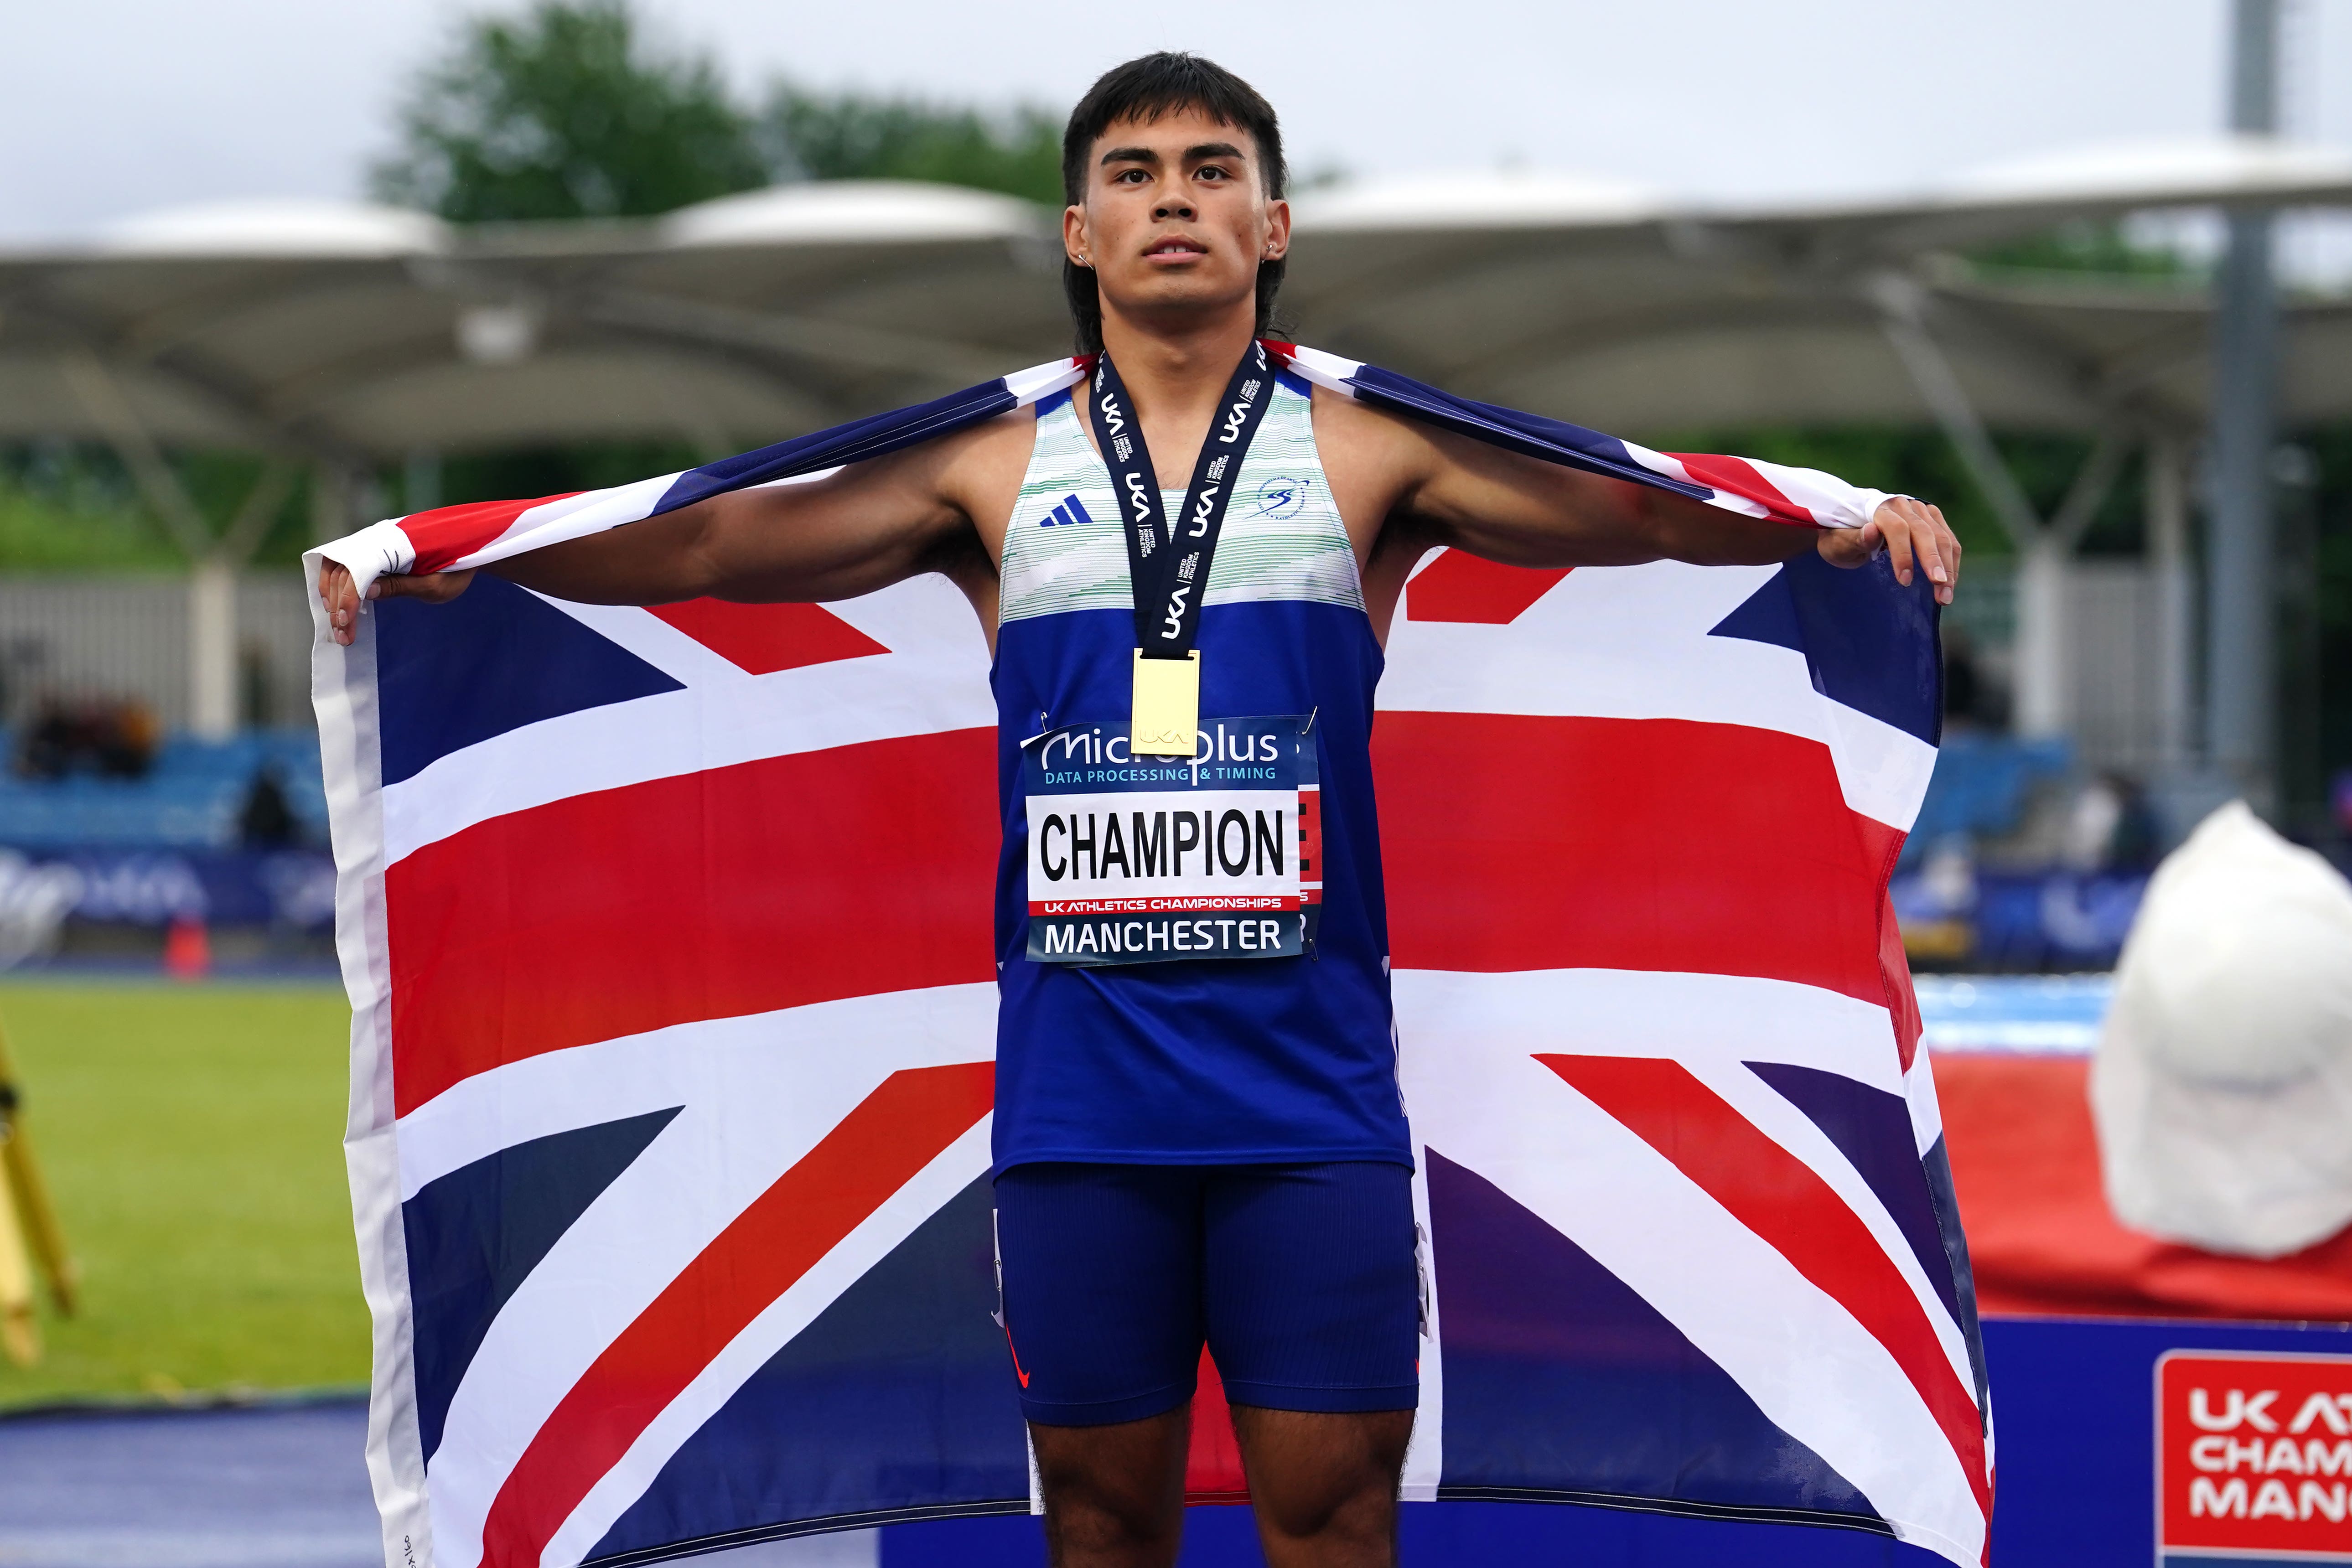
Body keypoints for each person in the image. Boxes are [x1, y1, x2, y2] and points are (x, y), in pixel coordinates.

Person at [320, 53, 1959, 1568]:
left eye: (1210, 167)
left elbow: (1628, 506)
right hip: (1079, 1111)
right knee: (1101, 1523)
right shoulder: (986, 470)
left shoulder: (1365, 451)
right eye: (1135, 171)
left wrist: (1820, 517)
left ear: (1273, 221)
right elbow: (704, 545)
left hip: (1306, 1107)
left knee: (1332, 1512)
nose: (1173, 195)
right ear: (1080, 229)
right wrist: (451, 556)